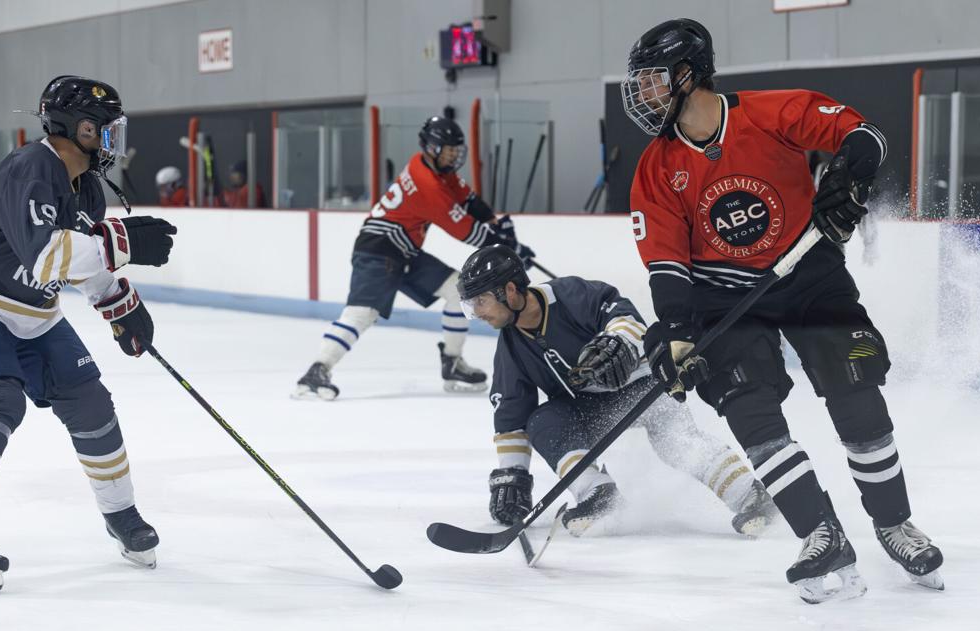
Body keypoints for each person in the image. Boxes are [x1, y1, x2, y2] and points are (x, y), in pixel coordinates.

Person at [622, 18, 942, 603]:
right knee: (750, 411)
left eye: (651, 82)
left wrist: (851, 173)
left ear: (688, 75)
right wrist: (673, 334)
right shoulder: (655, 169)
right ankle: (820, 533)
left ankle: (894, 524)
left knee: (857, 392)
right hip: (726, 299)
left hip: (811, 277)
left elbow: (864, 133)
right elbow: (666, 263)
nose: (643, 95)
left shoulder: (773, 112)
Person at [0, 75, 178, 594]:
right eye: (105, 130)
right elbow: (47, 255)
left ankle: (121, 516)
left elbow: (81, 259)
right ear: (77, 128)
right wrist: (123, 243)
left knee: (91, 403)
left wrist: (118, 304)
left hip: (32, 311)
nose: (112, 141)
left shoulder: (87, 188)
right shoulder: (30, 167)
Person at [458, 245, 778, 537]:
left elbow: (622, 314)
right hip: (588, 410)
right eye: (470, 304)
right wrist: (511, 476)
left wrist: (618, 342)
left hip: (639, 387)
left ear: (510, 291)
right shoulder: (511, 347)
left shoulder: (568, 294)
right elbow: (511, 411)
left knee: (675, 441)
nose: (477, 312)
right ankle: (598, 495)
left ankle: (748, 494)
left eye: (480, 301)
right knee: (543, 421)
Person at [293, 116, 534, 400]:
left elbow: (468, 201)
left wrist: (495, 224)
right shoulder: (426, 184)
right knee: (362, 313)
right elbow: (465, 230)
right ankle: (316, 371)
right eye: (448, 150)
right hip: (378, 249)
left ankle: (452, 362)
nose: (454, 156)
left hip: (404, 250)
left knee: (461, 291)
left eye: (456, 150)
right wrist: (507, 247)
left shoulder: (434, 169)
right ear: (432, 148)